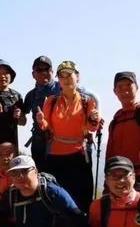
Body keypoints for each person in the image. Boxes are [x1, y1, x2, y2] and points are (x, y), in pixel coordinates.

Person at [35, 61, 101, 213]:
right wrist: (40, 121)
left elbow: (92, 128)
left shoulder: (87, 102)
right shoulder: (51, 101)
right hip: (55, 156)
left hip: (79, 155)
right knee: (56, 199)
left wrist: (94, 118)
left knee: (82, 199)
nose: (65, 78)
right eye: (61, 75)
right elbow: (46, 126)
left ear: (77, 77)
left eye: (69, 74)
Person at [23, 56, 99, 174]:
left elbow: (89, 97)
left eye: (47, 69)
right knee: (44, 182)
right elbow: (23, 118)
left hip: (70, 147)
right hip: (41, 144)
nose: (43, 73)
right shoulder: (31, 96)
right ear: (33, 74)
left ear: (52, 72)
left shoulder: (67, 87)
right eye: (39, 70)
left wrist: (95, 117)